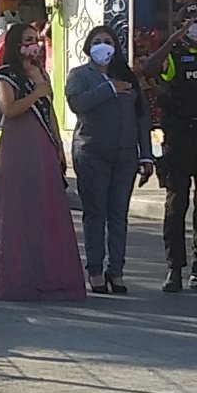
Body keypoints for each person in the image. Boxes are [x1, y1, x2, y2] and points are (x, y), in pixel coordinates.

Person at [0, 22, 87, 301]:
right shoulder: (6, 75)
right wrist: (35, 93)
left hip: (43, 145)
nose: (33, 44)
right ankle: (17, 275)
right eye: (28, 39)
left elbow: (49, 110)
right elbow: (9, 109)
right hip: (19, 147)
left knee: (45, 208)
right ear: (16, 44)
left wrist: (58, 145)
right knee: (20, 210)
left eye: (35, 39)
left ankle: (47, 274)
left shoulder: (40, 72)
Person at [140, 3, 197, 294]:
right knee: (176, 204)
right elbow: (148, 69)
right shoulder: (172, 55)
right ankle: (174, 269)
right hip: (179, 138)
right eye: (193, 22)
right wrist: (173, 39)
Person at [66, 26, 156, 295]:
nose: (103, 46)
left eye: (108, 41)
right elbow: (77, 104)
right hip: (92, 153)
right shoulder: (80, 75)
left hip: (125, 156)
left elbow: (141, 118)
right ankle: (95, 270)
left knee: (118, 215)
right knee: (96, 213)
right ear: (88, 46)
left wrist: (146, 155)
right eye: (97, 41)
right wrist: (108, 89)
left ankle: (116, 271)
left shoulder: (127, 76)